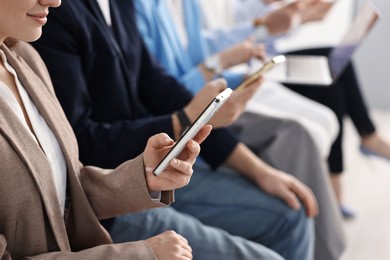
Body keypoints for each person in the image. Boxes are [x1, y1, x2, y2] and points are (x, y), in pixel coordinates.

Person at [32, 0, 322, 259]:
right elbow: (83, 141)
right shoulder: (53, 15)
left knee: (290, 212)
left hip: (157, 167)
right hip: (110, 193)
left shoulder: (119, 5)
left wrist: (260, 171)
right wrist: (184, 118)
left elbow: (156, 83)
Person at [0, 0, 212, 258]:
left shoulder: (24, 59)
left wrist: (144, 178)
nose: (55, 1)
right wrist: (140, 255)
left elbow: (63, 192)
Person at [133, 1, 344, 260]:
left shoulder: (184, 5)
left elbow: (189, 58)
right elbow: (166, 92)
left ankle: (330, 241)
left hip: (202, 100)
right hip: (178, 122)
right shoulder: (137, 8)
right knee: (295, 138)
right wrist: (221, 62)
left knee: (315, 122)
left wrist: (236, 74)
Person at [200, 0, 390, 218]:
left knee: (334, 70)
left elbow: (259, 30)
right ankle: (357, 152)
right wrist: (284, 18)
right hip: (250, 65)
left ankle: (350, 161)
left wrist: (299, 17)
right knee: (329, 84)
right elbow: (237, 33)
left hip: (266, 57)